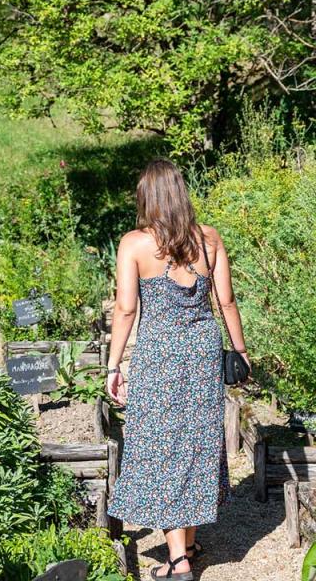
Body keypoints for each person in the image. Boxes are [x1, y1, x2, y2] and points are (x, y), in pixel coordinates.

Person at [106, 158, 250, 581]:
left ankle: (179, 563)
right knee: (195, 442)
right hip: (203, 351)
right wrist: (239, 351)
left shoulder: (134, 244)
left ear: (148, 197)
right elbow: (226, 302)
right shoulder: (208, 239)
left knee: (161, 447)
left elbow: (126, 307)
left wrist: (114, 365)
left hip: (159, 356)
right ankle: (186, 542)